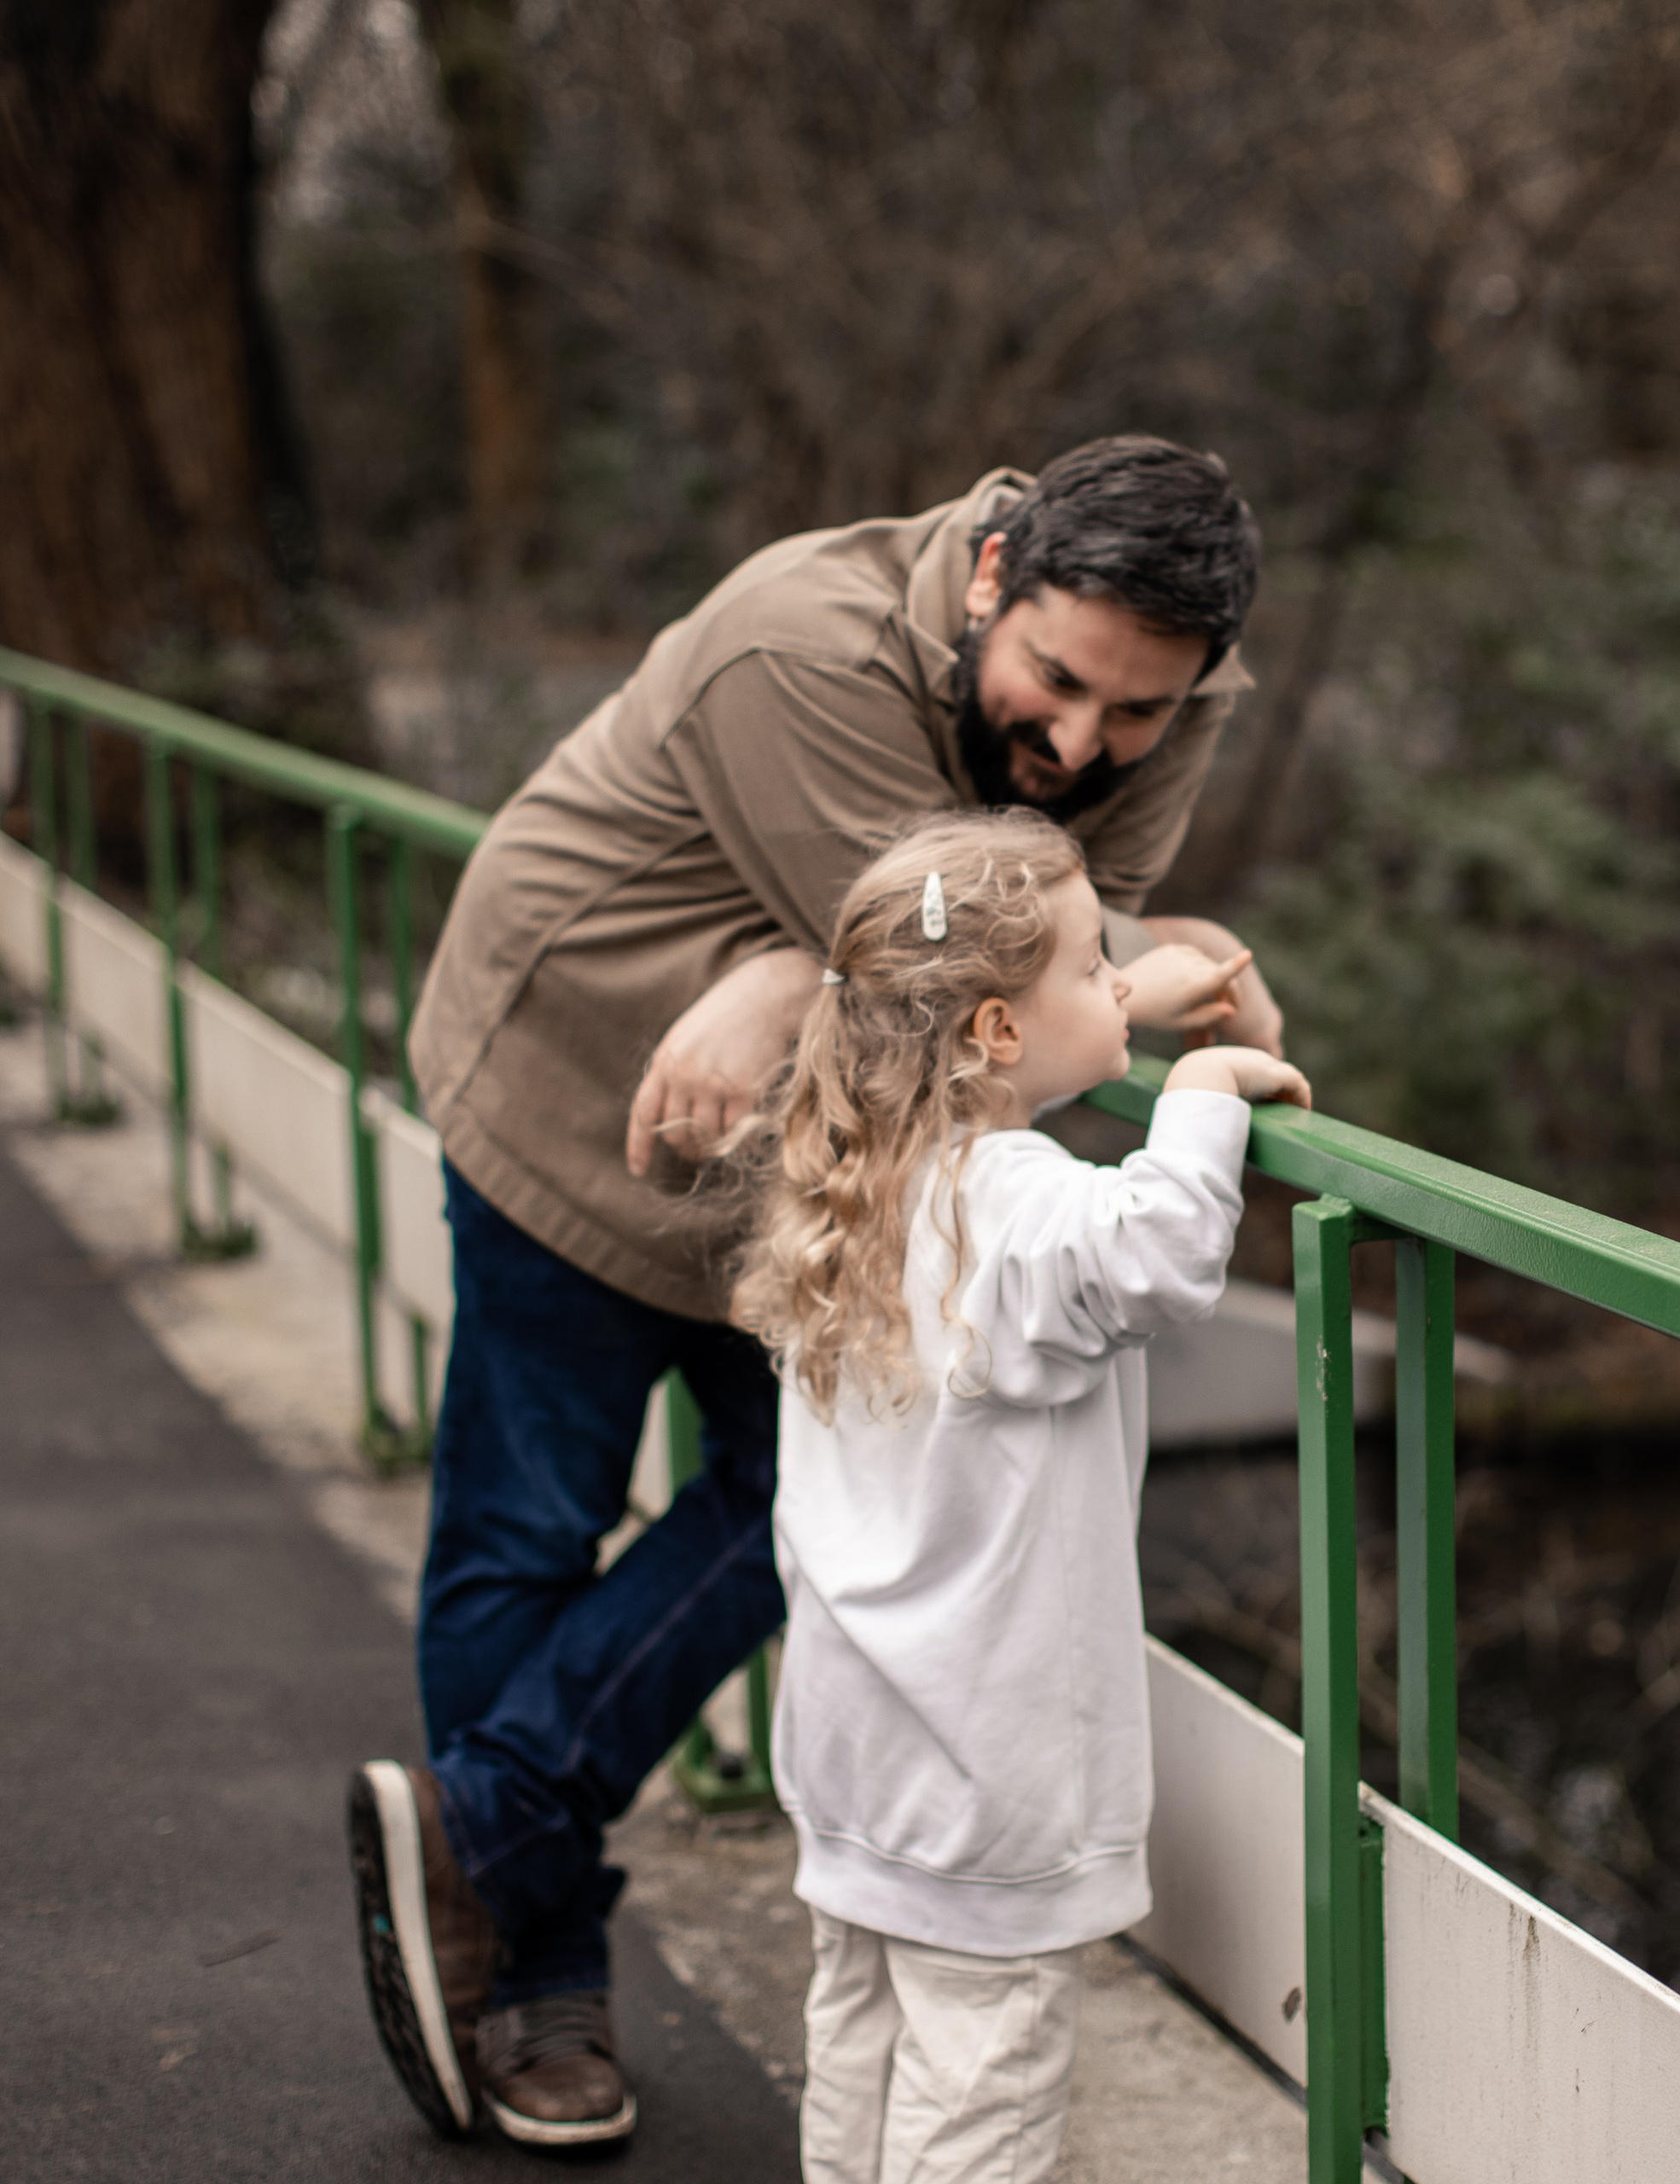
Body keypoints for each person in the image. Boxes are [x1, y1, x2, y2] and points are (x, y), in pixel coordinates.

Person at [346, 437, 1282, 2148]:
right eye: (1057, 680)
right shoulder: (797, 642)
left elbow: (1047, 936)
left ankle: (480, 1828)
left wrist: (798, 974)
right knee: (527, 1527)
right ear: (991, 574)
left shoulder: (1175, 687)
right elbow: (923, 965)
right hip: (584, 1089)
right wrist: (800, 970)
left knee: (800, 1502)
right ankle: (535, 1967)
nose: (1084, 746)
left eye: (1137, 713)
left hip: (840, 1175)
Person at [730, 810, 1310, 2184]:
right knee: (981, 2086)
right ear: (993, 1030)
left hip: (860, 1750)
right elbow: (1155, 1251)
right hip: (982, 1776)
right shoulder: (1016, 1207)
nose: (1119, 981)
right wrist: (1202, 1085)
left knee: (862, 2040)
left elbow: (1001, 1122)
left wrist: (1116, 1004)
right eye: (1097, 963)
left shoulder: (873, 1181)